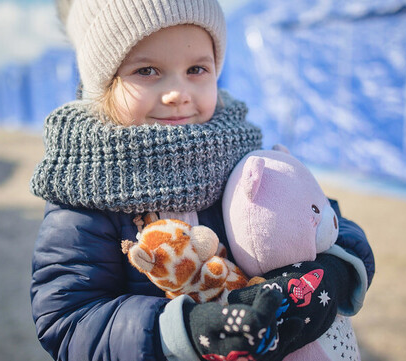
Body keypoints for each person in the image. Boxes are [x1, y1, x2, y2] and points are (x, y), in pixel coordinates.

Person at [28, 1, 375, 360]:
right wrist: (186, 330)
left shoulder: (240, 151)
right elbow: (68, 319)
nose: (178, 92)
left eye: (196, 69)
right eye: (147, 70)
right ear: (104, 84)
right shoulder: (86, 189)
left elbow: (323, 214)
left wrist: (334, 268)